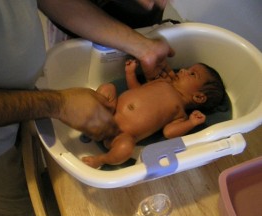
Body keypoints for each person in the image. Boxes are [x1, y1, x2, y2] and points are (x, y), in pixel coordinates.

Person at [0, 1, 174, 216]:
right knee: (11, 203)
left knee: (38, 165)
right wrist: (58, 104)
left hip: (26, 94)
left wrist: (143, 47)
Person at [82, 59, 225, 168]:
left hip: (119, 135)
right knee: (108, 88)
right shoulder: (163, 82)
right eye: (187, 69)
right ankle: (90, 117)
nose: (183, 70)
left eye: (192, 74)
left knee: (126, 148)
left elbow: (169, 132)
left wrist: (191, 123)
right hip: (109, 110)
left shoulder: (180, 113)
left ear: (198, 97)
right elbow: (137, 89)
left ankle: (101, 159)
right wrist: (130, 73)